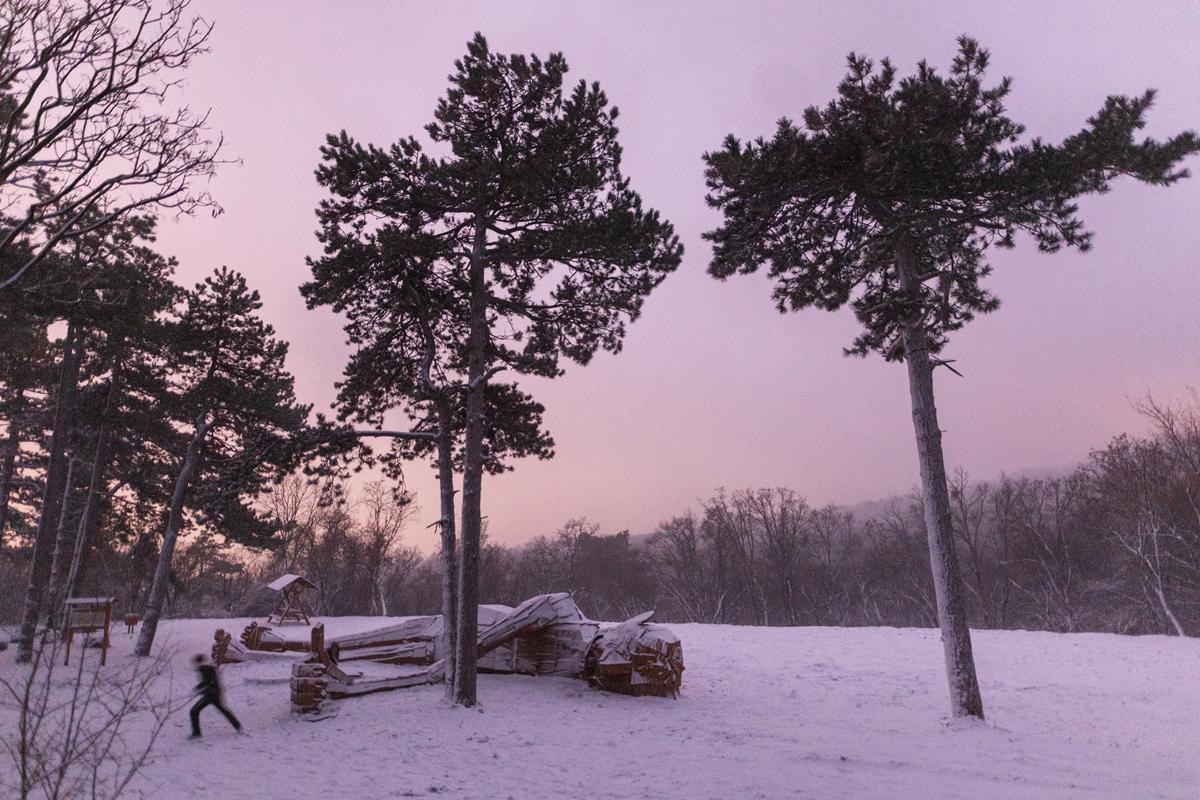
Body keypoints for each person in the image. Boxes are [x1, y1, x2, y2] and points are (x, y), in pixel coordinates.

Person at [189, 654, 242, 738]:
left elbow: (211, 683)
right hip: (215, 694)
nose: (194, 665)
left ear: (199, 663)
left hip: (211, 695)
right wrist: (198, 688)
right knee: (223, 710)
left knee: (194, 711)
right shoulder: (207, 668)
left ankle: (196, 733)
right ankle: (238, 726)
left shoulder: (205, 669)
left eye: (195, 663)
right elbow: (208, 682)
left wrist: (203, 690)